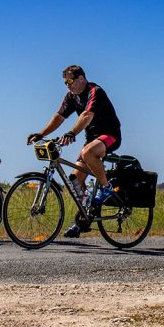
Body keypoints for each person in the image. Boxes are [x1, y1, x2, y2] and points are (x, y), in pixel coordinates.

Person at [27, 65, 122, 237]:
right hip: (91, 139)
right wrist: (41, 133)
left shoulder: (95, 91)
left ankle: (107, 188)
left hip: (109, 135)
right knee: (75, 181)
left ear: (81, 78)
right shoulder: (71, 97)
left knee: (88, 153)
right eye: (65, 82)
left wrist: (72, 133)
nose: (68, 85)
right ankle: (83, 219)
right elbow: (59, 117)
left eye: (70, 81)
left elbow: (87, 115)